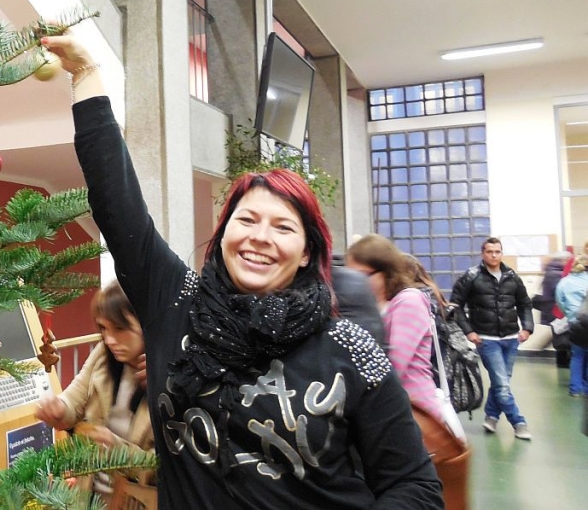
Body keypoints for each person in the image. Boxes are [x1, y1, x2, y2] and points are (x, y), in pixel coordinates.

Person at [41, 34, 442, 509]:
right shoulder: (177, 305)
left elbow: (414, 485)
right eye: (246, 220)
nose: (260, 237)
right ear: (224, 233)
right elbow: (117, 206)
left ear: (306, 252)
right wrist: (87, 75)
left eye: (283, 227)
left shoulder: (348, 347)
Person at [34, 282, 154, 497]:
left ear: (147, 324)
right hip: (90, 495)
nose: (109, 339)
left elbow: (171, 467)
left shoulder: (173, 376)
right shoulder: (102, 354)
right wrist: (59, 409)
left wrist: (116, 448)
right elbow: (73, 399)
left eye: (120, 328)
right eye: (103, 328)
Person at [346, 235, 442, 423]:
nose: (354, 283)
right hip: (383, 411)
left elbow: (394, 365)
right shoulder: (367, 306)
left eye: (361, 276)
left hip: (414, 412)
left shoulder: (408, 301)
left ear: (386, 272)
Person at [450, 237, 534, 440]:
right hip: (486, 340)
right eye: (490, 252)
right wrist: (469, 331)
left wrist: (527, 328)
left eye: (497, 251)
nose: (494, 255)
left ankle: (491, 416)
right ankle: (518, 422)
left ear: (501, 253)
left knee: (500, 382)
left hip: (511, 338)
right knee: (503, 386)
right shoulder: (471, 276)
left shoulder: (511, 276)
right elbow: (455, 306)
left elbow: (524, 303)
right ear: (483, 254)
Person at [555, 255, 588, 397]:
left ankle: (575, 389)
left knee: (577, 356)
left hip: (575, 323)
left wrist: (569, 315)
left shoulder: (564, 282)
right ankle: (586, 389)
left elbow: (560, 301)